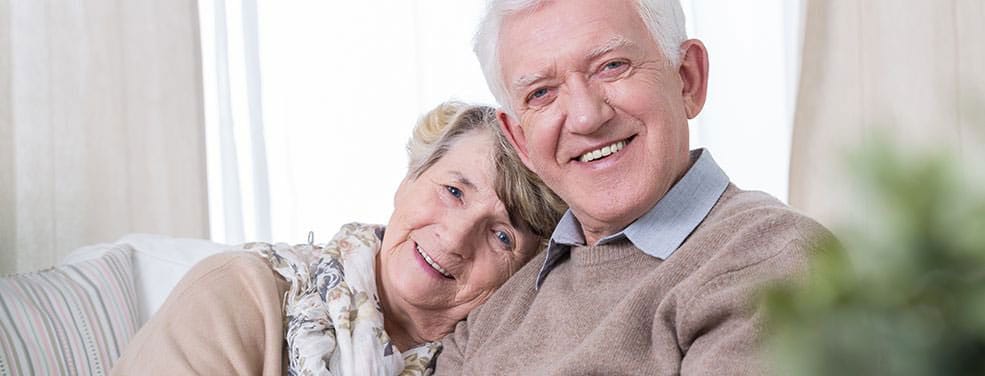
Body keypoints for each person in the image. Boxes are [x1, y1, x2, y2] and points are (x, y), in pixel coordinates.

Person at [435, 0, 832, 374]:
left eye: (611, 66)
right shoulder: (495, 311)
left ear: (687, 79)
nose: (586, 117)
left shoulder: (773, 257)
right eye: (541, 93)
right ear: (521, 142)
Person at [111, 102, 566, 375]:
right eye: (453, 191)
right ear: (410, 177)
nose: (454, 238)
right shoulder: (239, 293)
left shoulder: (504, 358)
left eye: (501, 236)